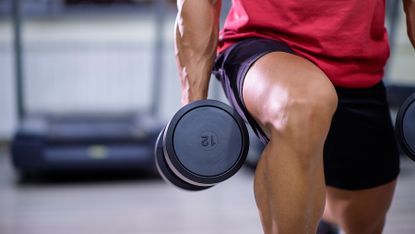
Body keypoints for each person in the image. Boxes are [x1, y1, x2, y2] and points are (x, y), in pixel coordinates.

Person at [174, 0, 415, 233]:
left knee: (362, 218)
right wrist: (194, 109)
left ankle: (319, 217)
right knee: (302, 103)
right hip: (260, 43)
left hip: (356, 64)